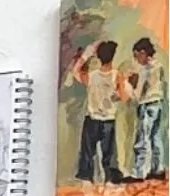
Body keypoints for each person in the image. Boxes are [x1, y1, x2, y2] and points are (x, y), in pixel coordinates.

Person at [68, 37, 126, 185]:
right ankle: (110, 181)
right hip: (108, 119)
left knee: (88, 152)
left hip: (92, 118)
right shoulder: (117, 75)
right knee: (109, 154)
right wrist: (116, 96)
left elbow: (75, 71)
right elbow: (123, 96)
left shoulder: (92, 76)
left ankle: (86, 179)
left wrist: (86, 55)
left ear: (99, 57)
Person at [126, 35, 166, 181]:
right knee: (155, 138)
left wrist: (129, 84)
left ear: (143, 53)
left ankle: (138, 172)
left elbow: (138, 94)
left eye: (137, 56)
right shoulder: (159, 65)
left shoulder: (144, 70)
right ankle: (158, 169)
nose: (136, 60)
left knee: (142, 139)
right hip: (158, 103)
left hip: (147, 104)